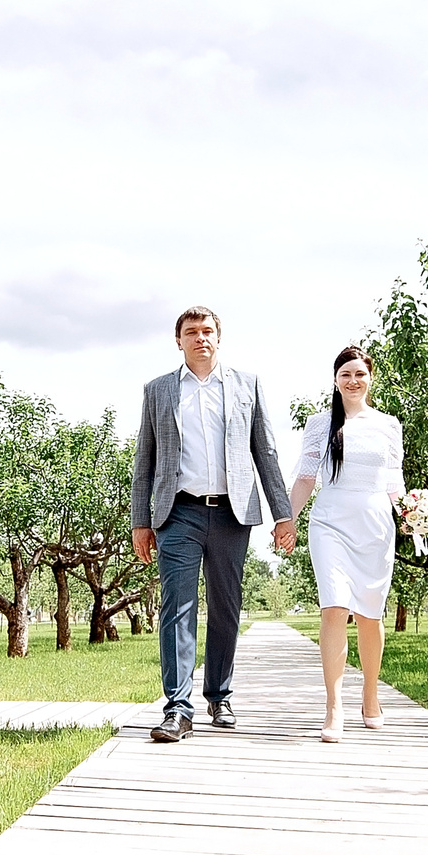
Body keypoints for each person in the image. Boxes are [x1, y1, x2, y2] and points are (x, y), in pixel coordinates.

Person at [131, 306, 295, 743]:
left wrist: (283, 513)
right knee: (176, 609)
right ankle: (177, 710)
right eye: (191, 332)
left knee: (226, 607)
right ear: (179, 340)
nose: (200, 337)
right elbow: (143, 462)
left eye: (208, 331)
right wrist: (140, 522)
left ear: (219, 338)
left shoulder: (246, 386)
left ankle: (219, 696)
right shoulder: (158, 391)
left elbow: (267, 453)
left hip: (231, 513)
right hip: (177, 512)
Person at [288, 344, 404, 743]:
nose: (353, 381)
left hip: (375, 525)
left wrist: (413, 515)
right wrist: (288, 519)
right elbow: (306, 478)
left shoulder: (389, 425)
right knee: (334, 607)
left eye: (360, 374)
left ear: (371, 378)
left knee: (370, 615)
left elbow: (394, 482)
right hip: (330, 522)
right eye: (345, 375)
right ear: (335, 381)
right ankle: (333, 705)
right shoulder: (321, 423)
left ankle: (371, 694)